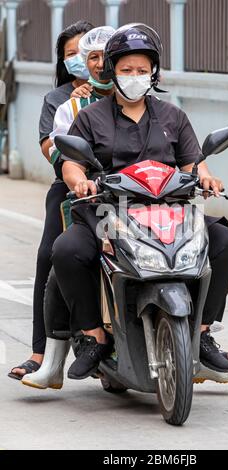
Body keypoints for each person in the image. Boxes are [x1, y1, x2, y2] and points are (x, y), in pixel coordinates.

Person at [22, 23, 228, 389]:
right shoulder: (89, 117)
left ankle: (202, 333)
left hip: (168, 213)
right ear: (113, 71)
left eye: (142, 70)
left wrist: (206, 177)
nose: (135, 77)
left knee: (225, 243)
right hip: (107, 213)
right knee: (66, 251)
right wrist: (78, 179)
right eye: (127, 70)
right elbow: (71, 159)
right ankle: (94, 336)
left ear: (153, 72)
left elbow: (193, 160)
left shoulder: (173, 116)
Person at [8, 20, 95, 381]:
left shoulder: (122, 92)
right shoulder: (59, 101)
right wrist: (80, 110)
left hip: (125, 188)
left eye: (84, 52)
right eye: (69, 54)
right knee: (50, 253)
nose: (78, 59)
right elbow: (51, 150)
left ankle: (196, 339)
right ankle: (42, 353)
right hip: (72, 188)